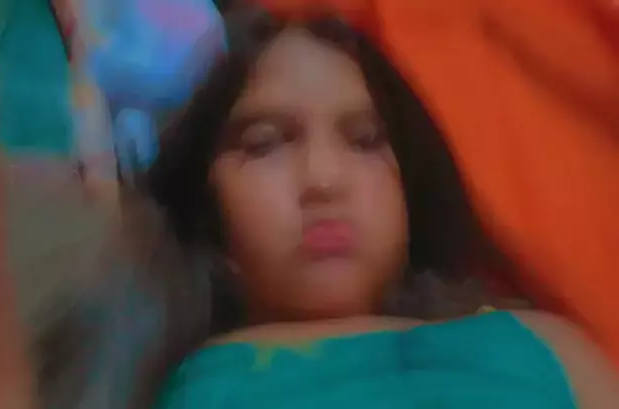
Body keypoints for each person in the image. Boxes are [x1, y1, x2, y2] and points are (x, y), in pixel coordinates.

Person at [129, 7, 618, 409]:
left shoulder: (545, 346)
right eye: (265, 145)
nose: (324, 180)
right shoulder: (148, 378)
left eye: (365, 141)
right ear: (203, 199)